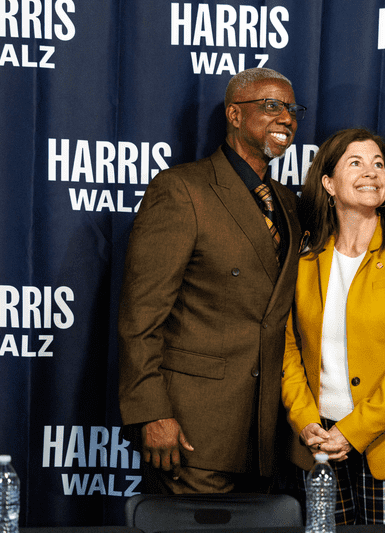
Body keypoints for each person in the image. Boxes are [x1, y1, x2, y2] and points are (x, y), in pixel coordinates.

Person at [118, 68, 304, 494]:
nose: (287, 119)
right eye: (272, 106)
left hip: (267, 433)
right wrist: (151, 412)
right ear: (234, 115)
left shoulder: (290, 204)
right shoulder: (182, 189)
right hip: (191, 430)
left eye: (293, 110)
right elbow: (141, 316)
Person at [281, 128, 385, 524]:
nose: (371, 172)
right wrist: (305, 421)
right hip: (318, 443)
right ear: (328, 184)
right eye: (355, 163)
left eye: (378, 164)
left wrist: (352, 431)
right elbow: (287, 349)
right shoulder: (303, 259)